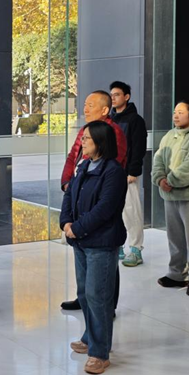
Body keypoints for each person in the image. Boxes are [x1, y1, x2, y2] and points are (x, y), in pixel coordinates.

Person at [61, 121, 127, 375]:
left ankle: (100, 353)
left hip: (101, 242)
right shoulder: (84, 165)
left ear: (101, 142)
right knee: (85, 294)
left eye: (87, 138)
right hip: (80, 240)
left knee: (98, 296)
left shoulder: (113, 172)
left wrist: (78, 227)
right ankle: (90, 336)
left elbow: (105, 208)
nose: (83, 142)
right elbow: (70, 195)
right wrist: (66, 222)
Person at [60, 90, 127, 311]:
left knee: (104, 265)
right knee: (85, 263)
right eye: (85, 104)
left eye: (90, 105)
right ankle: (85, 299)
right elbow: (73, 156)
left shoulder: (111, 133)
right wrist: (67, 182)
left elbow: (111, 169)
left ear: (105, 109)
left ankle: (106, 306)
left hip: (97, 198)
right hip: (79, 191)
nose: (85, 109)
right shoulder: (85, 130)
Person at [151, 100, 189, 297]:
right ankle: (176, 274)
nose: (175, 115)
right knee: (175, 238)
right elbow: (158, 159)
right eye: (174, 112)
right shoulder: (170, 135)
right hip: (170, 195)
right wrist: (159, 178)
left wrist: (171, 180)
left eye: (180, 112)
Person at [109, 81, 148, 267]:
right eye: (111, 95)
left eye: (117, 94)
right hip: (111, 173)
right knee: (113, 211)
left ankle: (135, 249)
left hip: (127, 173)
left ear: (126, 97)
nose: (113, 98)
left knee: (131, 211)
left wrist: (133, 170)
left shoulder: (135, 120)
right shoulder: (110, 119)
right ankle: (118, 246)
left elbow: (139, 147)